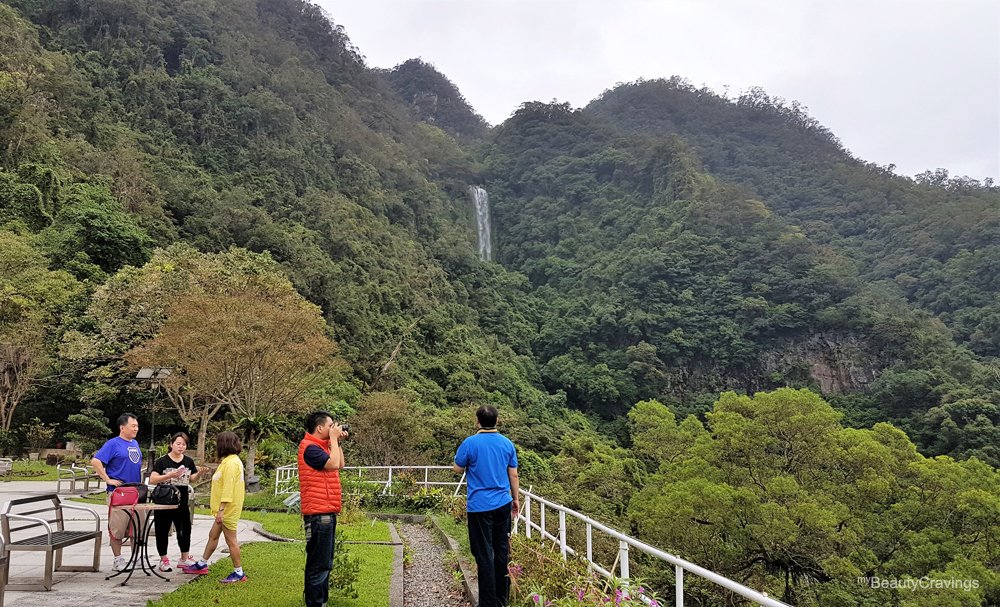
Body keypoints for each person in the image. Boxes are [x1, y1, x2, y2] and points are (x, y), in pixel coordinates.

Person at [453, 405, 520, 607]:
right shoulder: (507, 444)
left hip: (479, 506)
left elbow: (457, 468)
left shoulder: (470, 443)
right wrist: (515, 499)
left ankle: (487, 603)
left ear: (477, 421)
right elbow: (513, 474)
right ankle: (502, 600)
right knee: (501, 553)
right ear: (497, 420)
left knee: (484, 554)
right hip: (503, 503)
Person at [181, 431, 247, 583]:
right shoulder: (228, 461)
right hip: (224, 509)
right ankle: (202, 564)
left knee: (231, 540)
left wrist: (222, 510)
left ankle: (239, 573)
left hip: (227, 510)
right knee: (213, 535)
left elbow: (228, 489)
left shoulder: (231, 463)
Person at [298, 411, 348, 607]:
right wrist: (333, 440)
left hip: (325, 512)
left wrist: (337, 442)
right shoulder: (310, 448)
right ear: (319, 428)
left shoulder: (321, 447)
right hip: (319, 515)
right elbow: (334, 463)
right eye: (330, 426)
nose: (333, 429)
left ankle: (321, 602)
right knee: (318, 566)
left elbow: (340, 465)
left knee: (324, 564)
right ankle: (315, 603)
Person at [91, 412, 143, 572]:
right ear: (122, 427)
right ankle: (118, 559)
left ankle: (136, 557)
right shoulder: (113, 444)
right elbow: (95, 460)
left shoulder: (135, 443)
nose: (136, 429)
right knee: (117, 528)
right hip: (118, 493)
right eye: (133, 426)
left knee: (138, 527)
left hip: (136, 491)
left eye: (137, 426)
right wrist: (107, 479)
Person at [149, 432, 201, 571]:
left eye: (184, 444)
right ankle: (163, 559)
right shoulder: (162, 461)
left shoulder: (188, 461)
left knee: (184, 530)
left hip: (181, 500)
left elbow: (192, 478)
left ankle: (184, 558)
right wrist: (169, 475)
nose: (181, 446)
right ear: (171, 444)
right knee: (162, 529)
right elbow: (152, 479)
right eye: (178, 443)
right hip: (164, 501)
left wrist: (200, 473)